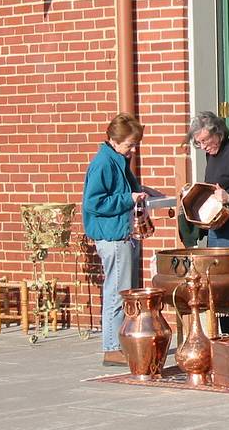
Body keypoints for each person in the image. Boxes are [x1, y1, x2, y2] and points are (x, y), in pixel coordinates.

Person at [82, 113, 146, 366]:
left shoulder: (117, 159)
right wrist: (128, 199)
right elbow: (94, 202)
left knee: (122, 292)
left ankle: (119, 344)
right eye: (129, 144)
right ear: (113, 140)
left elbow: (123, 190)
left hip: (120, 232)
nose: (133, 149)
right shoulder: (104, 163)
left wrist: (141, 192)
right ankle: (111, 347)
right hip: (112, 235)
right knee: (117, 294)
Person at [185, 111, 229, 334]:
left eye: (205, 140)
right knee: (216, 286)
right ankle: (223, 334)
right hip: (217, 227)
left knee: (228, 287)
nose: (204, 146)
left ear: (219, 133)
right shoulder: (212, 154)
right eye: (199, 143)